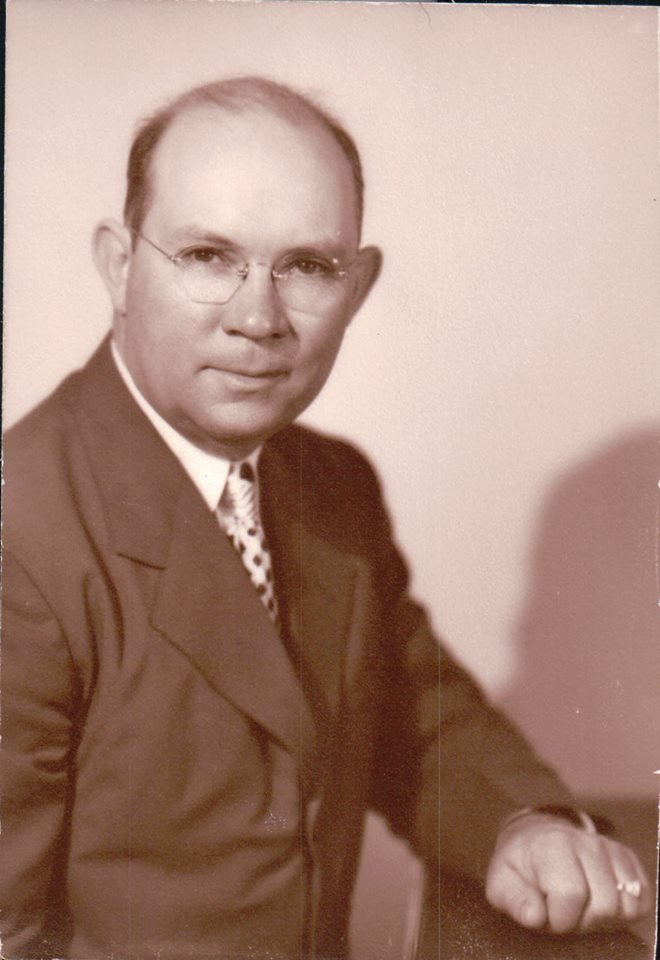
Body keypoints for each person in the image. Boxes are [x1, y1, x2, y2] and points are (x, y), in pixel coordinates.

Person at [1, 77, 651, 960]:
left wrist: (522, 822)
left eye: (307, 267)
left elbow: (414, 715)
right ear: (120, 266)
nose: (258, 318)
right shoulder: (21, 529)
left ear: (361, 285)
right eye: (207, 256)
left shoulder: (331, 485)